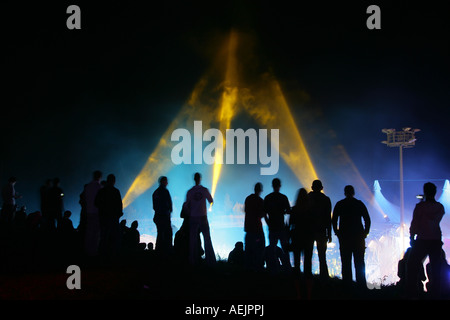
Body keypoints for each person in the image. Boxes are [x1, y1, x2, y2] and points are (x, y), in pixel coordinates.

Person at [406, 182, 445, 298]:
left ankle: (412, 291)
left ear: (425, 192)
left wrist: (412, 237)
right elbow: (435, 218)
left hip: (422, 240)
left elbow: (415, 223)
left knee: (412, 265)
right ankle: (436, 292)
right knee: (436, 267)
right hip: (435, 240)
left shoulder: (420, 207)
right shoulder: (439, 207)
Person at [332, 185, 371, 288]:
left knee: (345, 262)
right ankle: (361, 286)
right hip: (358, 237)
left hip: (345, 237)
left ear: (345, 192)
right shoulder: (359, 204)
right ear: (353, 192)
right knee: (359, 262)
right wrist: (365, 233)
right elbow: (367, 219)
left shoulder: (340, 204)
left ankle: (347, 285)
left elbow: (334, 220)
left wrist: (337, 232)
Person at [185, 172, 215, 266]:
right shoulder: (204, 190)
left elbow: (187, 205)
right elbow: (211, 201)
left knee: (192, 240)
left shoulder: (190, 191)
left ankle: (192, 261)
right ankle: (210, 261)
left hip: (193, 217)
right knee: (207, 238)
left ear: (194, 179)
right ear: (200, 179)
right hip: (203, 217)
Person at [263, 178, 291, 271]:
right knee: (285, 248)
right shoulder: (283, 197)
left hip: (272, 228)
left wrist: (268, 223)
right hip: (281, 227)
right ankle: (287, 268)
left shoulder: (268, 198)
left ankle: (273, 268)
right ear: (279, 186)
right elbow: (288, 210)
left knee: (272, 249)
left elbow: (264, 213)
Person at [307, 180, 332, 279]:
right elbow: (328, 218)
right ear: (321, 188)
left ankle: (308, 275)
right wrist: (329, 233)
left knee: (308, 254)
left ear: (312, 187)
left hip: (309, 230)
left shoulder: (308, 198)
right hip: (322, 231)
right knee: (322, 256)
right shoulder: (325, 199)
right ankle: (324, 277)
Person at [95, 174, 123, 261]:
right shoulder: (115, 191)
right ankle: (112, 256)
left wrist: (102, 211)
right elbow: (119, 204)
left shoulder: (102, 191)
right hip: (113, 218)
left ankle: (101, 256)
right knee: (114, 237)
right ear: (114, 181)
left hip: (104, 217)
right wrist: (118, 214)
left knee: (104, 237)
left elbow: (96, 203)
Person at [290, 188, 312, 275]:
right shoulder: (310, 210)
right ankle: (308, 284)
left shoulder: (294, 209)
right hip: (308, 238)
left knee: (297, 262)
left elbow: (291, 224)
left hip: (296, 237)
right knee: (307, 262)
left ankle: (297, 285)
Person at [244, 182, 265, 271]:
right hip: (257, 229)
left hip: (248, 229)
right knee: (260, 250)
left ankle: (248, 270)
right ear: (260, 190)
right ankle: (259, 269)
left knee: (249, 251)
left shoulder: (248, 199)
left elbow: (246, 210)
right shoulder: (260, 201)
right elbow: (262, 214)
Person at [83, 170, 103, 257]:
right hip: (97, 212)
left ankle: (87, 251)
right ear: (100, 177)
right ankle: (94, 253)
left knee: (89, 233)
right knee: (96, 234)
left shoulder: (88, 186)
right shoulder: (99, 187)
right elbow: (101, 201)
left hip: (88, 212)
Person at [152, 176, 173, 255]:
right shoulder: (164, 191)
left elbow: (154, 206)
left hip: (158, 216)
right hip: (164, 216)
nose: (167, 183)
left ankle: (158, 251)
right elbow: (168, 204)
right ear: (163, 182)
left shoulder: (155, 192)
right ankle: (167, 252)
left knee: (160, 234)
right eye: (166, 181)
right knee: (167, 234)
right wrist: (168, 211)